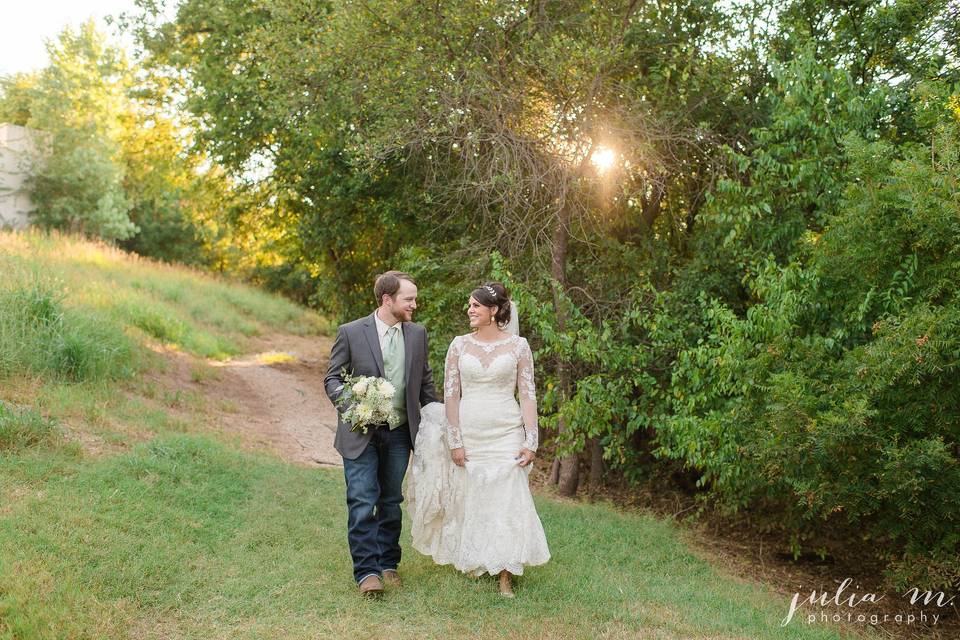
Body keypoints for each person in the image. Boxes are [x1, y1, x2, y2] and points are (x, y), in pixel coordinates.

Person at [409, 282, 550, 597]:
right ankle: (476, 556)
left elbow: (527, 395)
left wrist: (532, 440)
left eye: (475, 306)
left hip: (506, 429)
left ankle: (505, 572)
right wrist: (455, 440)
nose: (469, 310)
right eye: (469, 305)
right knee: (473, 494)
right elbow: (451, 394)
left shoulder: (519, 346)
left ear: (494, 311)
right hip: (470, 430)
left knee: (507, 494)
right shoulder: (459, 345)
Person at [324, 271, 438, 597]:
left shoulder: (417, 335)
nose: (415, 304)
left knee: (390, 502)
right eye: (409, 299)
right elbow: (332, 379)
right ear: (388, 300)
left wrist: (437, 423)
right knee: (362, 501)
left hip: (400, 433)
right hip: (360, 433)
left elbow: (424, 383)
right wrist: (355, 405)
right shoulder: (350, 332)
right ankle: (367, 573)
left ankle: (388, 564)